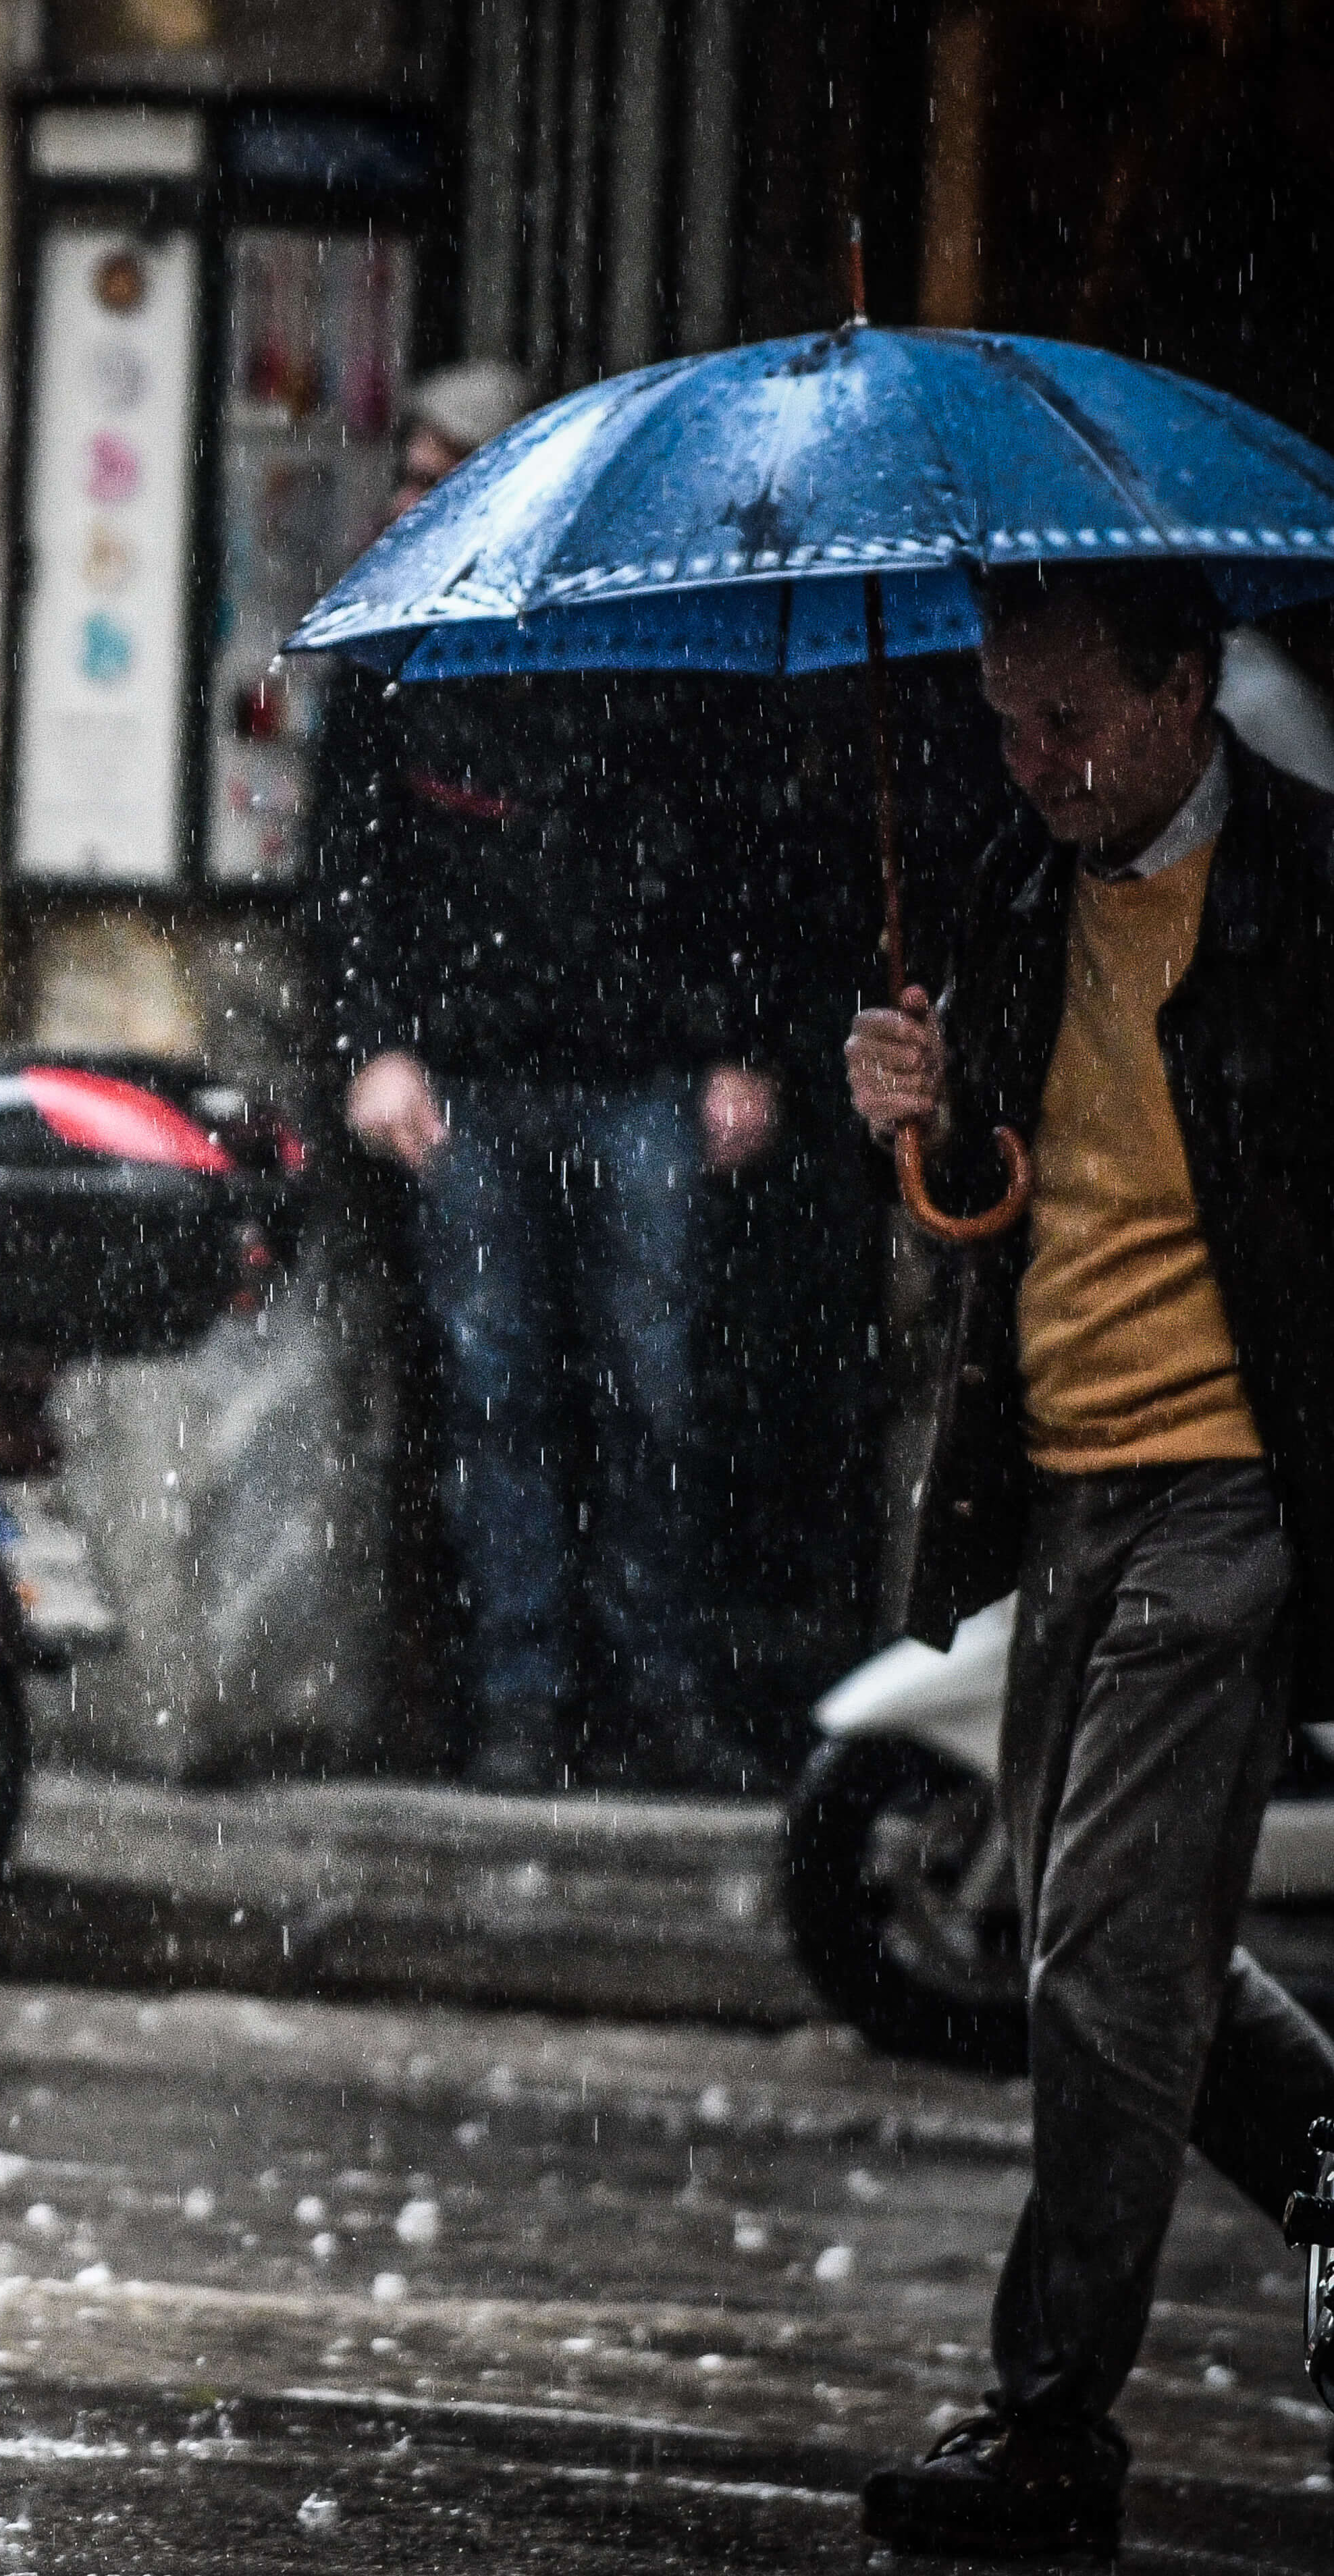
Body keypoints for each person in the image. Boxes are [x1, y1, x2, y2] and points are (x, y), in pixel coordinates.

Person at [845, 561, 1334, 2557]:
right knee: (1105, 1927)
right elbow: (980, 1211)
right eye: (997, 720)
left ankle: (1049, 2420)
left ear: (1184, 688)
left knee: (1098, 1968)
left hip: (1234, 1477)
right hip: (1058, 1478)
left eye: (1066, 721)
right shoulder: (1008, 886)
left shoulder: (1305, 893)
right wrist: (918, 1113)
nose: (1029, 763)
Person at [309, 358, 782, 1794]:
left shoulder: (642, 631)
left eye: (442, 467)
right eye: (411, 468)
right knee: (494, 1392)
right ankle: (521, 1695)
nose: (413, 496)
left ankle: (658, 1687)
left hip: (638, 1070)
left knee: (652, 1391)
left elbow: (730, 846)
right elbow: (347, 868)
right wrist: (375, 1042)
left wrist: (736, 1046)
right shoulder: (393, 645)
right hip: (469, 1076)